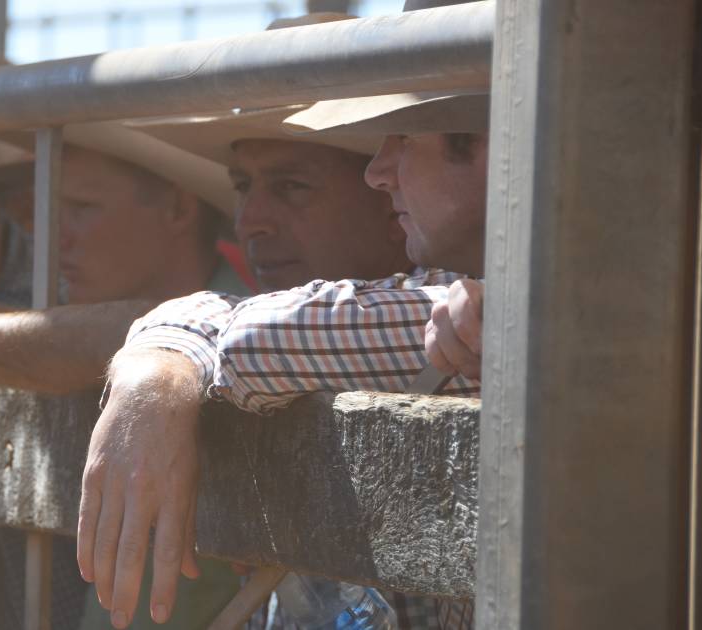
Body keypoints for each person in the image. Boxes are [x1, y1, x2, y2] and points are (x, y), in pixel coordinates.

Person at [77, 4, 487, 625]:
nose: (249, 222)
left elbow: (247, 337)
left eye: (293, 185)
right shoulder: (444, 306)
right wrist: (157, 367)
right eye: (243, 186)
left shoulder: (467, 319)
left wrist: (161, 362)